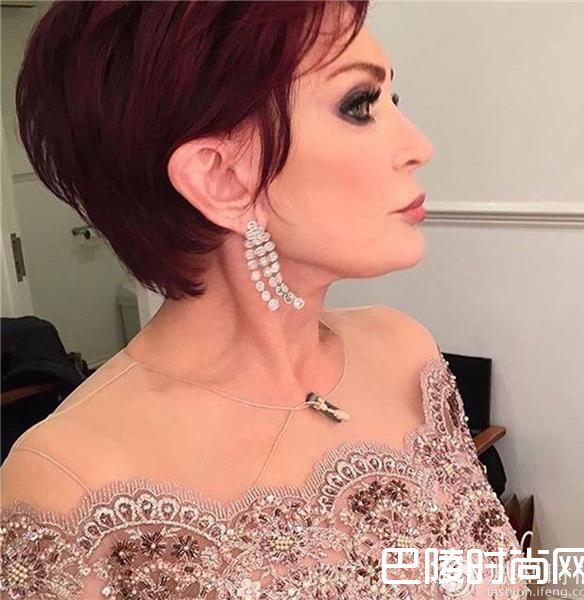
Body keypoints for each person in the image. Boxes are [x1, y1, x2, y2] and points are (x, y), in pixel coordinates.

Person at [0, 2, 528, 598]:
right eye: (360, 105)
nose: (419, 146)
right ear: (219, 177)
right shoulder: (66, 481)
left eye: (393, 100)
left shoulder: (406, 352)